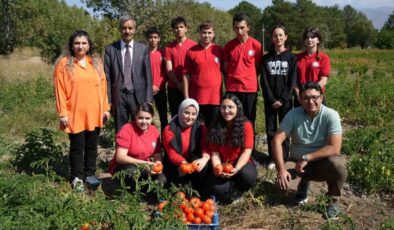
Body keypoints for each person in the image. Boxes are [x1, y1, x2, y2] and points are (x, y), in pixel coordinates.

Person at [272, 82, 347, 220]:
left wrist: (307, 157)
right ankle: (302, 184)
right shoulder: (293, 114)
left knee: (337, 164)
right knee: (283, 188)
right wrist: (281, 169)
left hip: (321, 163)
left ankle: (334, 201)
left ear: (321, 97)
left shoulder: (331, 115)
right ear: (300, 99)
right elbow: (277, 140)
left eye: (315, 97)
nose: (310, 101)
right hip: (296, 163)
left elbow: (335, 148)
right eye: (306, 98)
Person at [53, 30, 110, 191]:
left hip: (95, 112)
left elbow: (103, 88)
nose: (80, 46)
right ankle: (77, 177)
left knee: (92, 145)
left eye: (84, 43)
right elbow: (60, 90)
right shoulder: (64, 64)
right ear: (71, 45)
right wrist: (63, 113)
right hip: (75, 113)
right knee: (77, 147)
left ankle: (90, 174)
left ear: (89, 45)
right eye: (77, 43)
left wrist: (106, 109)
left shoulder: (96, 63)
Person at [105, 15, 153, 133]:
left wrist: (148, 99)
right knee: (120, 130)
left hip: (138, 96)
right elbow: (107, 77)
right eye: (124, 28)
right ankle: (121, 151)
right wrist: (108, 100)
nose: (127, 31)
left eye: (130, 28)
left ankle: (138, 151)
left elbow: (148, 76)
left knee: (139, 129)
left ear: (135, 29)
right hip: (119, 96)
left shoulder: (143, 49)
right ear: (120, 29)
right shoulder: (110, 49)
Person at [207, 93, 257, 202]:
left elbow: (247, 151)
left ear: (237, 108)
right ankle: (230, 185)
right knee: (218, 189)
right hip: (223, 164)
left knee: (248, 177)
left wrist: (236, 169)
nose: (226, 111)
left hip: (241, 164)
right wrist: (217, 168)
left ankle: (237, 184)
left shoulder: (246, 125)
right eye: (223, 107)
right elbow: (215, 153)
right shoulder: (215, 126)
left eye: (230, 107)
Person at [260, 25, 297, 169]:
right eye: (275, 35)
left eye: (281, 35)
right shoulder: (266, 59)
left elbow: (292, 81)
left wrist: (282, 99)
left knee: (285, 130)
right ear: (272, 38)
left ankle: (285, 157)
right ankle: (272, 158)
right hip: (270, 101)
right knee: (270, 129)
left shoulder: (292, 58)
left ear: (285, 37)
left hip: (286, 102)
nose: (278, 38)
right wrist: (272, 99)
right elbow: (264, 81)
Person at [108, 102, 166, 191]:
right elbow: (120, 157)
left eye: (147, 118)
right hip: (125, 166)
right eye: (140, 118)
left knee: (162, 179)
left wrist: (158, 164)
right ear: (135, 116)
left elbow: (157, 153)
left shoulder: (154, 131)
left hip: (145, 167)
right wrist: (145, 164)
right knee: (132, 174)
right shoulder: (127, 129)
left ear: (152, 117)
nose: (144, 121)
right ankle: (139, 191)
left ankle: (147, 191)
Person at [162, 98, 211, 197]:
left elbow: (205, 146)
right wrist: (182, 163)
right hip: (176, 163)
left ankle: (197, 185)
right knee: (181, 192)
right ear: (180, 112)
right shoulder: (169, 129)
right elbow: (171, 153)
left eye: (194, 114)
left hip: (193, 159)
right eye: (187, 113)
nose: (190, 117)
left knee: (203, 167)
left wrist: (205, 158)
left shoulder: (201, 128)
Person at [223, 13, 263, 125]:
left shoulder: (257, 45)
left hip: (249, 89)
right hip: (233, 89)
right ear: (233, 28)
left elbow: (258, 66)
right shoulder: (228, 46)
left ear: (248, 27)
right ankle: (233, 143)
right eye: (236, 28)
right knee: (232, 120)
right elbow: (225, 68)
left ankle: (249, 143)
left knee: (249, 120)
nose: (239, 31)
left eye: (242, 28)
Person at [183, 21, 223, 127]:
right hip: (197, 98)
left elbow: (226, 72)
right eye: (204, 33)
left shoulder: (219, 50)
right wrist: (187, 97)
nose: (207, 35)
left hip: (215, 99)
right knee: (197, 131)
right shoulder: (191, 52)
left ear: (213, 33)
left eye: (209, 33)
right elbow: (186, 75)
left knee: (214, 130)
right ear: (199, 33)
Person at [164, 17, 197, 117]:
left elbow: (196, 68)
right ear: (173, 30)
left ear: (186, 28)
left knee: (190, 115)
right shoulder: (168, 47)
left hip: (191, 87)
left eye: (181, 27)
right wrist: (178, 84)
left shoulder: (194, 46)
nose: (179, 29)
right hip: (173, 87)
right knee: (175, 115)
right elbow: (169, 69)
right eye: (176, 27)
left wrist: (186, 85)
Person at [295, 27, 331, 106]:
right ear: (304, 40)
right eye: (307, 37)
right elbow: (294, 80)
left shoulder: (324, 58)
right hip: (301, 97)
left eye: (312, 37)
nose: (309, 39)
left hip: (317, 97)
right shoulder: (296, 58)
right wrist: (298, 94)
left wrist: (312, 95)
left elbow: (324, 80)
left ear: (318, 40)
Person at [145, 27, 168, 133]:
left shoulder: (163, 53)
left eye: (155, 37)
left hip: (160, 90)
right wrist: (150, 86)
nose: (153, 40)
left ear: (159, 39)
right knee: (146, 116)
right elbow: (140, 73)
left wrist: (157, 85)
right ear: (147, 39)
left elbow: (166, 72)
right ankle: (148, 142)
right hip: (146, 91)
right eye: (150, 37)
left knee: (163, 117)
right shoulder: (142, 54)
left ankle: (164, 143)